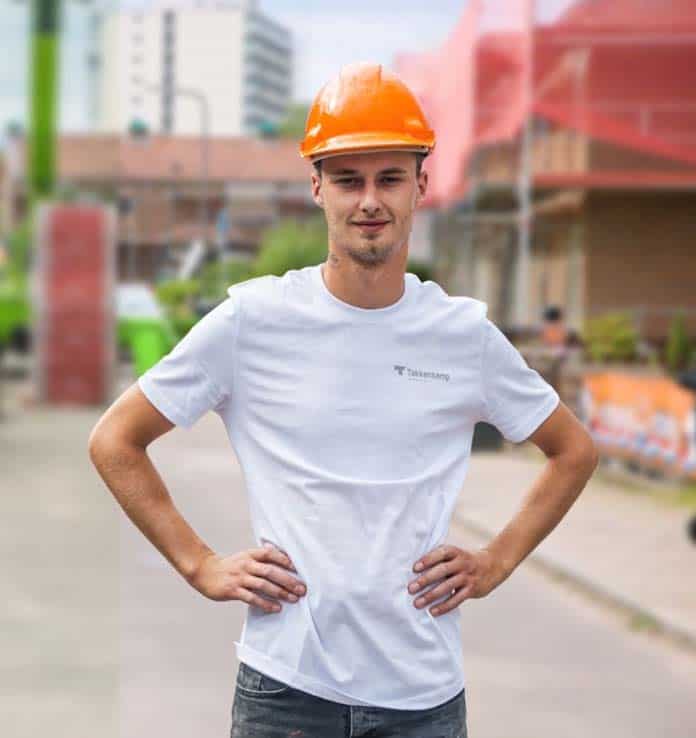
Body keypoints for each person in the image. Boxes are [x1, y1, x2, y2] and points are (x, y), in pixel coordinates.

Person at [88, 63, 599, 738]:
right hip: (286, 691)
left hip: (423, 697)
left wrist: (496, 560)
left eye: (389, 178)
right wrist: (199, 563)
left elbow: (573, 451)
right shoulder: (253, 322)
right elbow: (115, 439)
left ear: (422, 185)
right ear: (316, 187)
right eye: (348, 179)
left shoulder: (462, 335)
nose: (369, 201)